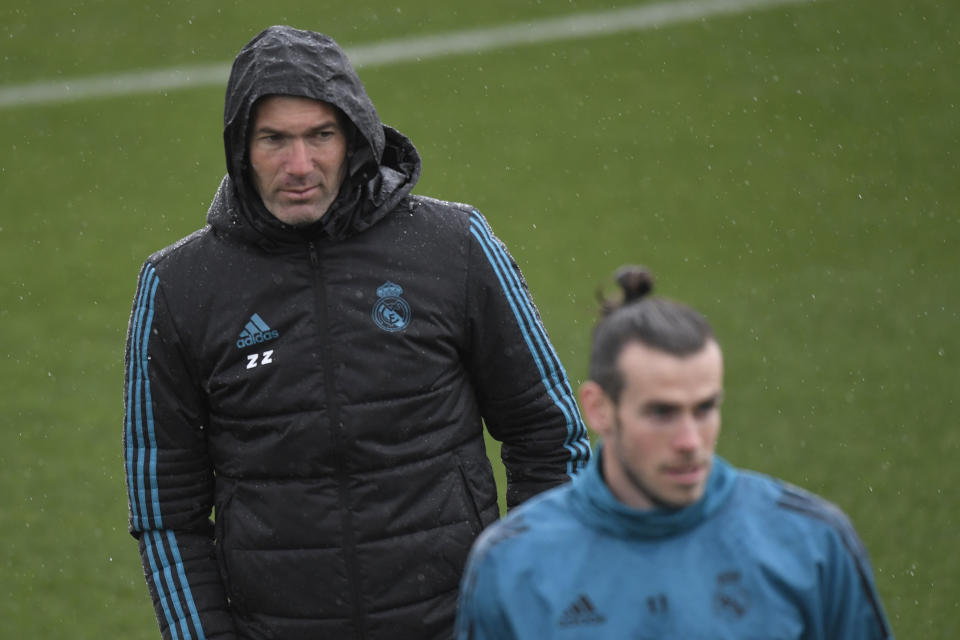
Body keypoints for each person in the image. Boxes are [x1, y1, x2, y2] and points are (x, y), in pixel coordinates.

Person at [122, 25, 590, 640]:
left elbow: (551, 438)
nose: (300, 166)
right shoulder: (179, 287)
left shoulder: (455, 247)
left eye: (321, 136)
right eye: (274, 140)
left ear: (355, 138)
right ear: (241, 147)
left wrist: (524, 603)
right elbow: (166, 511)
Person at [455, 265, 894, 639]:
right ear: (599, 409)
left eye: (704, 409)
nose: (690, 441)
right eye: (661, 413)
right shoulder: (512, 565)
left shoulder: (812, 545)